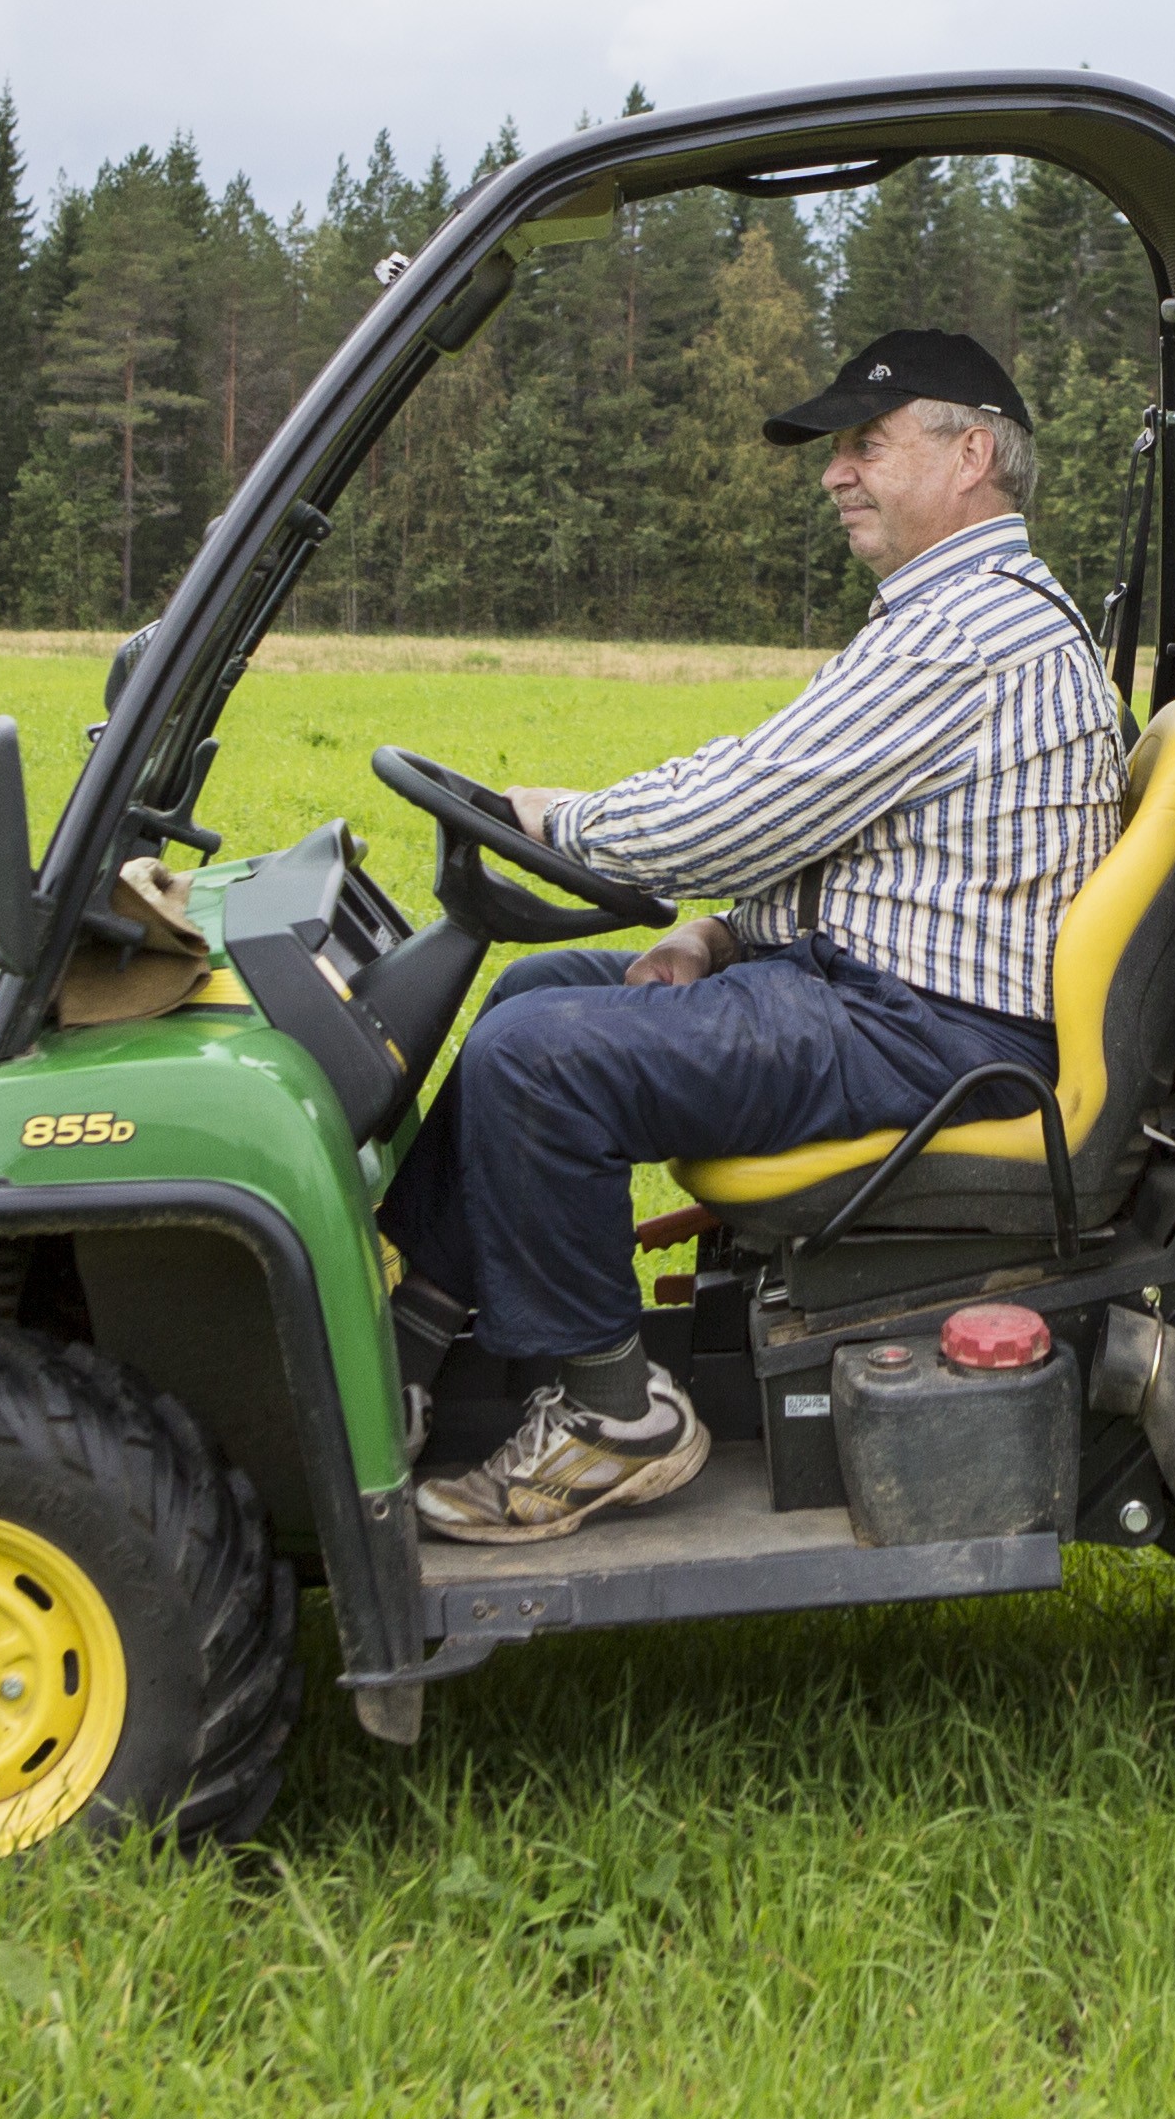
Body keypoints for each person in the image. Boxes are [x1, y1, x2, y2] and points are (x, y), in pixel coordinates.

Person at [382, 327, 1122, 1545]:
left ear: (972, 453)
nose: (837, 472)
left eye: (866, 444)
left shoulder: (974, 630)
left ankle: (615, 1417)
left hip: (931, 1035)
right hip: (884, 990)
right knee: (538, 994)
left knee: (539, 1058)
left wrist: (559, 820)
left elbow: (745, 810)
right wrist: (719, 939)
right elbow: (820, 823)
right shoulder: (946, 614)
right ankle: (416, 1345)